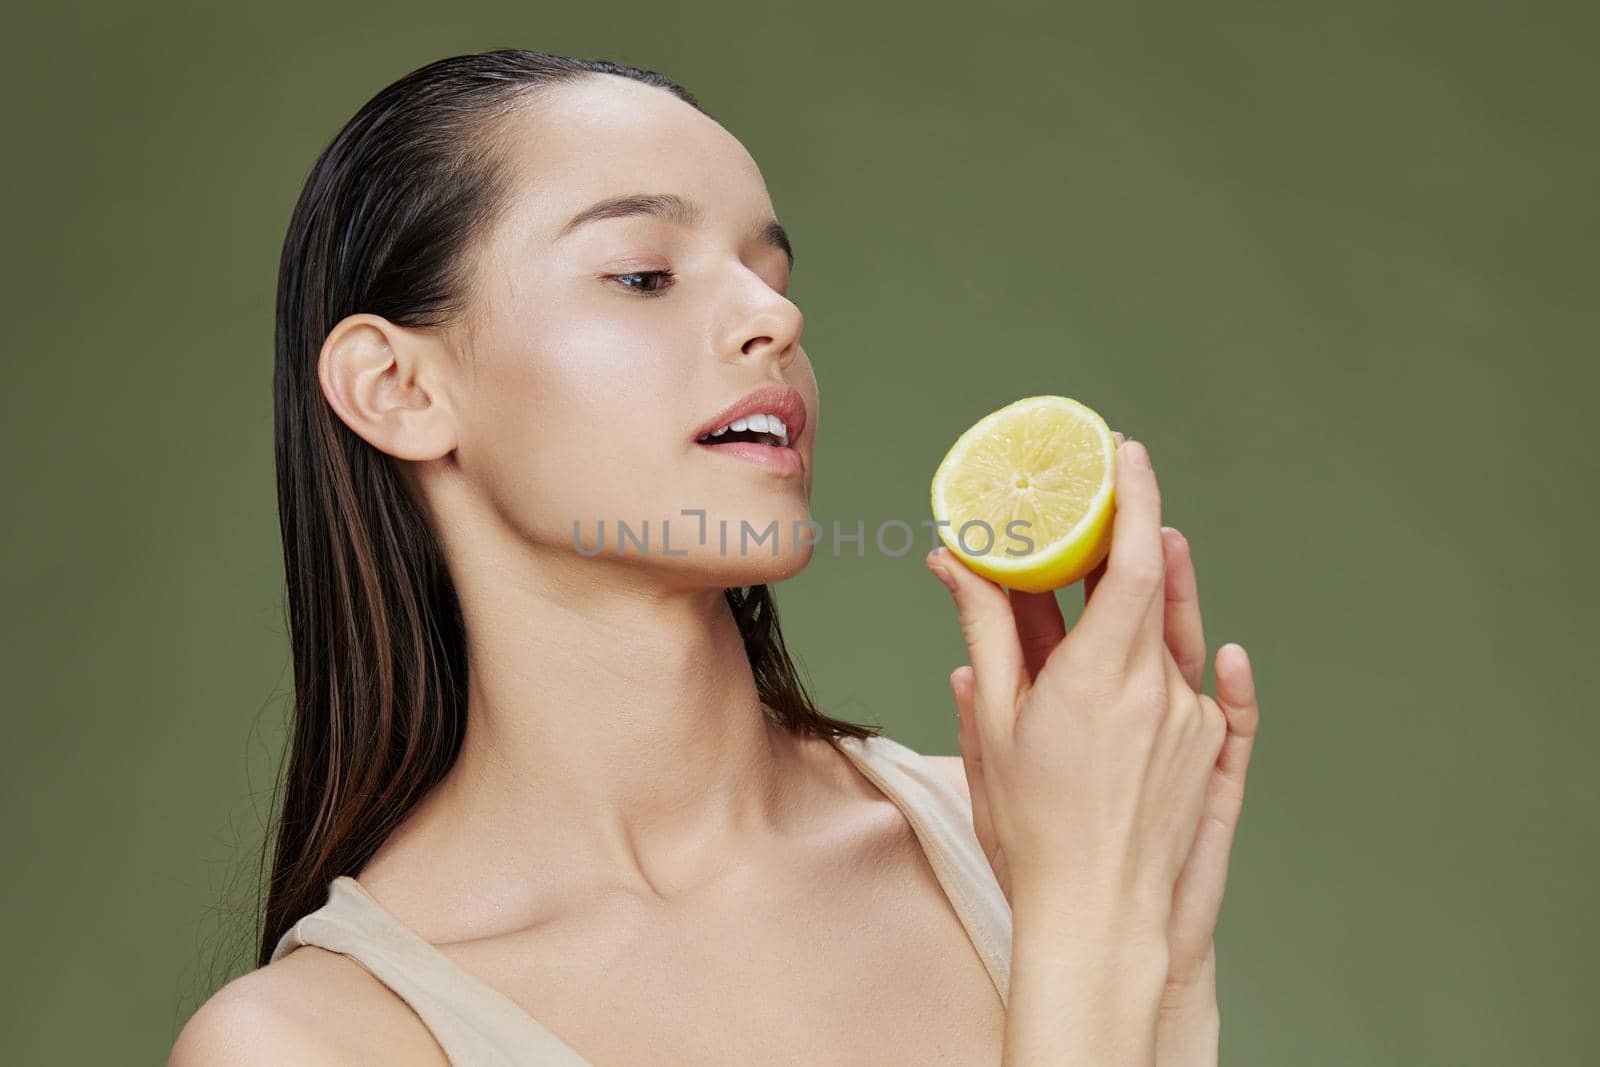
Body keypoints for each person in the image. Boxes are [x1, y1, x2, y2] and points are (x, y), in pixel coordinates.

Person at [170, 48, 1260, 1065]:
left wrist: (1136, 934)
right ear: (398, 388)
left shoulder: (1035, 828)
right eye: (645, 274)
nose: (772, 314)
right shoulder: (313, 1040)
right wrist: (1086, 940)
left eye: (771, 271)